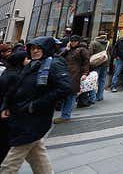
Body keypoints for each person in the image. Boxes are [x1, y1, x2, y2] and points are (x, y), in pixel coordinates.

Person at [0, 37, 71, 173]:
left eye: (39, 48)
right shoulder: (32, 64)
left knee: (8, 166)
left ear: (47, 49)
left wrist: (36, 105)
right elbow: (16, 87)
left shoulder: (54, 64)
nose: (35, 51)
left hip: (33, 119)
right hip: (22, 116)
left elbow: (65, 88)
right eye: (33, 48)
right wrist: (6, 105)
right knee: (38, 157)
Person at [0, 48, 28, 163]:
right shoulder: (16, 76)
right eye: (27, 58)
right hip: (8, 113)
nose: (28, 60)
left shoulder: (8, 71)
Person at [55, 35, 90, 123]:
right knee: (67, 95)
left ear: (78, 41)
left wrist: (85, 73)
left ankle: (65, 116)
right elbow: (59, 57)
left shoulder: (82, 49)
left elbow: (86, 62)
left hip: (76, 75)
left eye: (74, 41)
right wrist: (66, 49)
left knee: (70, 95)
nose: (73, 43)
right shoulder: (69, 49)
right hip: (67, 74)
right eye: (72, 41)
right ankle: (64, 115)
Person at [88, 31, 110, 102]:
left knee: (94, 80)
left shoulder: (93, 43)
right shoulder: (108, 43)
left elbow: (90, 53)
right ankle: (100, 96)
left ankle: (93, 97)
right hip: (105, 64)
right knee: (102, 80)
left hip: (95, 64)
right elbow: (110, 53)